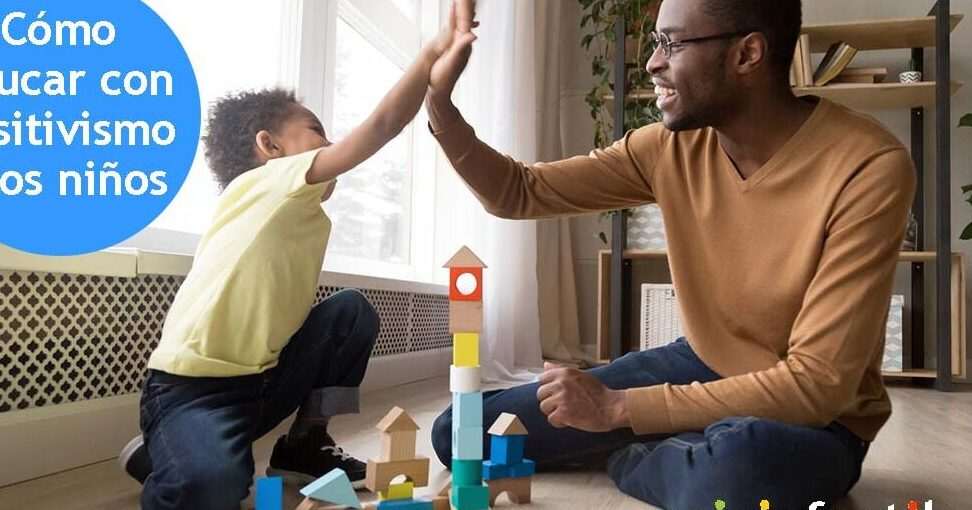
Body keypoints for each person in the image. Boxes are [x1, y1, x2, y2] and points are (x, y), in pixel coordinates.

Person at [426, 0, 914, 508]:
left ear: (747, 54)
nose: (653, 63)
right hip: (701, 362)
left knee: (738, 475)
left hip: (819, 417)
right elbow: (518, 191)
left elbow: (817, 384)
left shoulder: (868, 165)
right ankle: (678, 438)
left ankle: (637, 450)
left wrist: (620, 410)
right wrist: (440, 103)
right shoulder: (668, 148)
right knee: (461, 433)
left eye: (671, 44)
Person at [117, 2, 477, 508]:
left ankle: (304, 444)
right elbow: (379, 127)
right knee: (216, 488)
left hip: (259, 384)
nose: (329, 146)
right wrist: (431, 52)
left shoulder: (297, 209)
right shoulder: (266, 182)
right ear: (270, 147)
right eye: (315, 132)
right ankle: (172, 455)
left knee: (349, 311)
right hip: (191, 391)